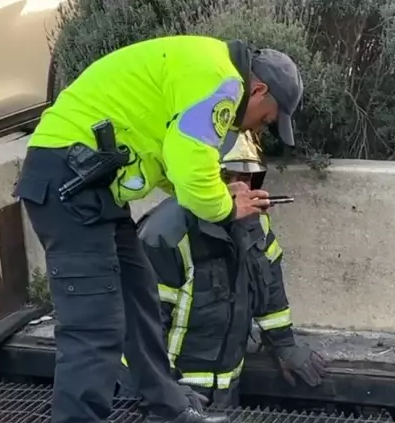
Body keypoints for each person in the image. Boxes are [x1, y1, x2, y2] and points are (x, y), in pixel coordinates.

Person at [11, 35, 304, 423]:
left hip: (90, 184)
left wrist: (219, 191)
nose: (260, 128)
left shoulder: (206, 66)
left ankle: (168, 410)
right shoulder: (223, 81)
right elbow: (190, 166)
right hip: (69, 183)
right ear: (260, 89)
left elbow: (176, 161)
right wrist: (226, 208)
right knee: (94, 327)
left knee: (139, 295)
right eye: (266, 119)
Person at [117, 130, 327, 408]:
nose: (241, 188)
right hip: (163, 395)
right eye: (228, 177)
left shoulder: (255, 226)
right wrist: (164, 391)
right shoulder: (165, 235)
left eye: (247, 178)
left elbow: (271, 291)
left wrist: (284, 344)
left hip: (225, 392)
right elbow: (141, 327)